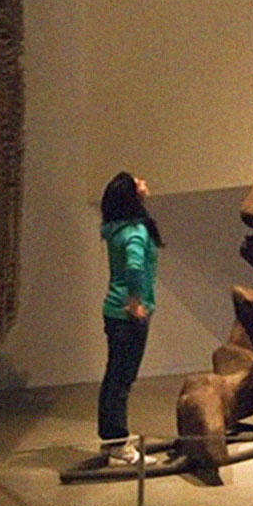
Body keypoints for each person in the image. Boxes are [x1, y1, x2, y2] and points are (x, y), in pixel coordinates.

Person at [97, 171, 163, 464]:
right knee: (122, 379)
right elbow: (135, 267)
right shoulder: (135, 232)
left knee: (115, 376)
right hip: (126, 315)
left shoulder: (117, 229)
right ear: (133, 196)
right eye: (138, 182)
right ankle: (116, 443)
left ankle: (112, 438)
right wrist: (135, 302)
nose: (144, 181)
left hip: (114, 311)